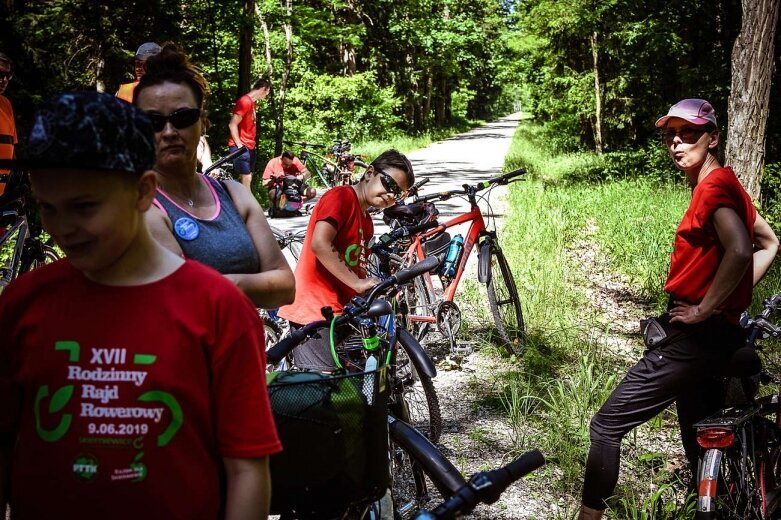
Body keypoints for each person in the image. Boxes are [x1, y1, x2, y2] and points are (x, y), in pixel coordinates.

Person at [0, 91, 281, 518]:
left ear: (143, 192)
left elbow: (246, 467)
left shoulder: (218, 309)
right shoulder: (22, 304)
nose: (63, 228)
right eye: (48, 208)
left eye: (85, 207)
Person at [578, 99, 779, 519]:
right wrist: (728, 300)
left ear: (713, 137)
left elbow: (742, 250)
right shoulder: (726, 182)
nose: (676, 142)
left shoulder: (712, 188)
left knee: (606, 426)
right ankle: (722, 507)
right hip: (722, 336)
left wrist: (706, 308)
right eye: (670, 134)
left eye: (688, 133)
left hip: (695, 336)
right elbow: (770, 242)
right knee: (698, 444)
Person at [135, 45, 294, 309]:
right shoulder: (141, 207)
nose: (169, 131)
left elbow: (286, 286)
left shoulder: (234, 194)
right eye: (153, 121)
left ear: (203, 122)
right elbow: (181, 299)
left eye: (183, 117)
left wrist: (218, 286)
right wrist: (252, 284)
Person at [277, 149, 414, 371]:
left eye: (398, 193)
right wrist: (358, 283)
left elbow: (355, 269)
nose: (391, 195)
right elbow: (320, 243)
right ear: (369, 173)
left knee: (354, 380)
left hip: (343, 313)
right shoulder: (341, 197)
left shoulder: (367, 222)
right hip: (316, 312)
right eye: (389, 183)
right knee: (322, 389)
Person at [228, 77, 271, 190]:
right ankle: (247, 205)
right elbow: (232, 124)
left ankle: (243, 203)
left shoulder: (252, 103)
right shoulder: (245, 101)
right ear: (263, 89)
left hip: (250, 145)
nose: (265, 96)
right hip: (241, 146)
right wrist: (239, 145)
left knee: (248, 177)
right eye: (266, 93)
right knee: (246, 177)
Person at [0, 52, 16, 196]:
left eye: (8, 75)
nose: (4, 80)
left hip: (4, 191)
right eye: (0, 74)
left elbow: (12, 146)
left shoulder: (6, 104)